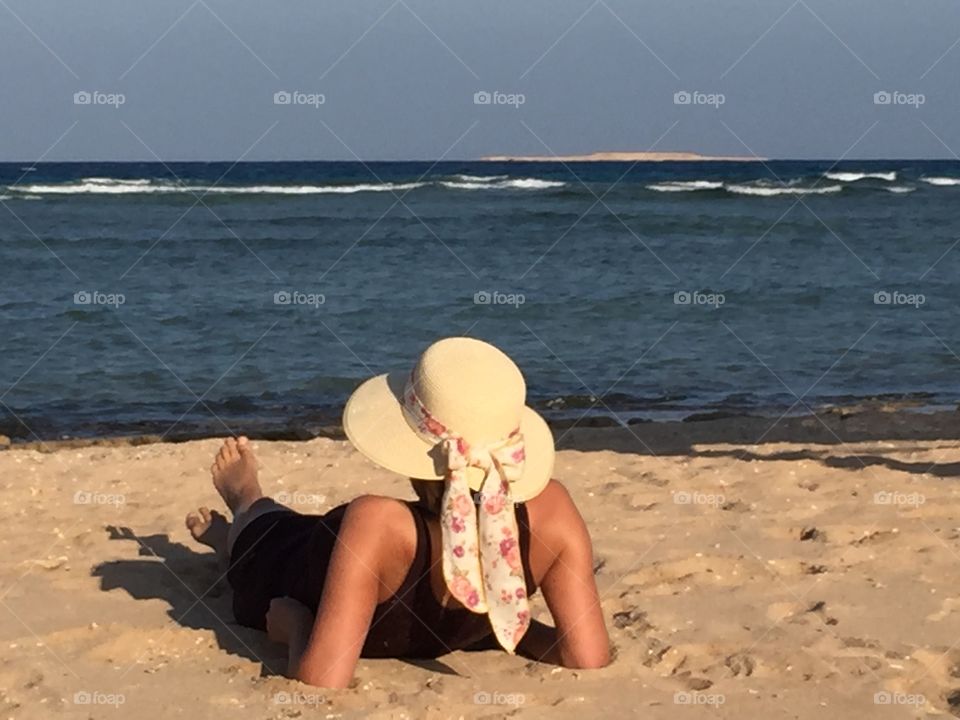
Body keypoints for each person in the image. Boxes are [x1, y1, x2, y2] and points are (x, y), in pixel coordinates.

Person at [186, 337, 610, 688]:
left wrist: (297, 625)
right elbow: (587, 656)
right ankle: (232, 530)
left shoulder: (378, 524)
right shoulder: (553, 512)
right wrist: (504, 627)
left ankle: (243, 498)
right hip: (341, 550)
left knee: (263, 533)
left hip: (289, 563)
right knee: (292, 530)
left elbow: (322, 681)